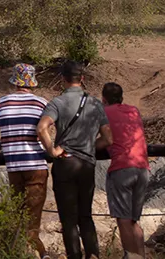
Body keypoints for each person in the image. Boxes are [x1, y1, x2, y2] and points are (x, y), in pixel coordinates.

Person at [38, 61, 112, 259]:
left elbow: (41, 127)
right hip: (86, 164)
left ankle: (74, 256)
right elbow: (107, 138)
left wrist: (52, 150)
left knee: (68, 219)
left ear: (63, 79)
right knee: (85, 216)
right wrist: (87, 146)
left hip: (65, 163)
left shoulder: (57, 102)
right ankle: (94, 254)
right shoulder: (96, 103)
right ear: (83, 79)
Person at [0, 63, 49, 257]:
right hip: (37, 164)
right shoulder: (41, 104)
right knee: (34, 214)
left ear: (14, 81)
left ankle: (20, 250)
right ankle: (38, 252)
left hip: (14, 166)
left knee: (18, 212)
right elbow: (44, 134)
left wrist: (3, 144)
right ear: (32, 82)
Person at [101, 82, 149, 259]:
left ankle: (130, 256)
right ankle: (140, 256)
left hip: (122, 167)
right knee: (134, 220)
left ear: (103, 99)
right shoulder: (134, 111)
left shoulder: (104, 112)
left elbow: (105, 139)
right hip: (142, 167)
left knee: (123, 218)